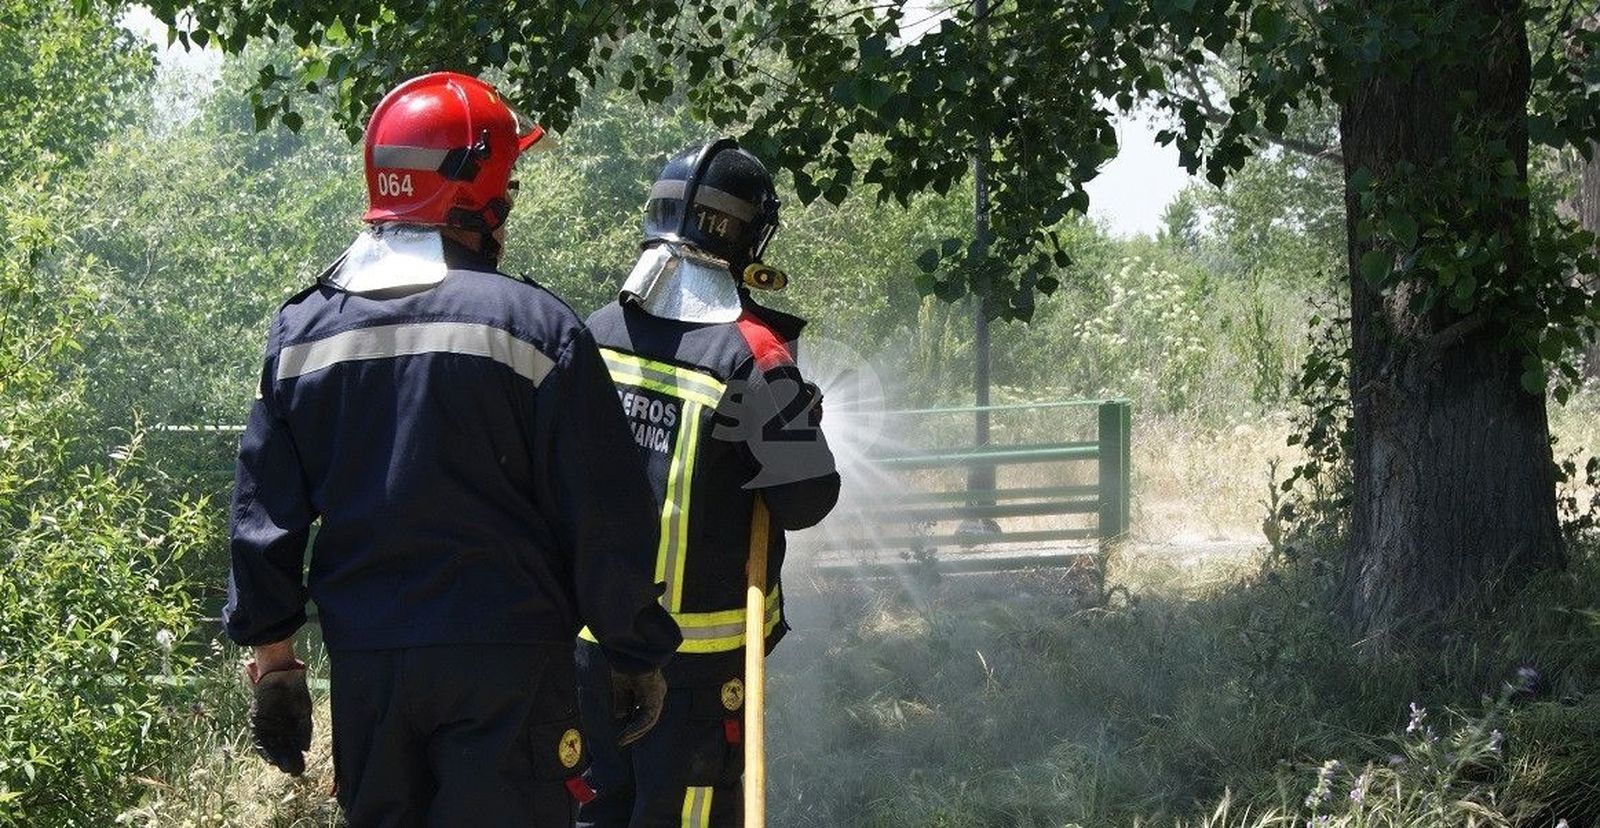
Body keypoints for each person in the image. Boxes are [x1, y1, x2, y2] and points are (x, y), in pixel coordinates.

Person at [223, 72, 680, 826]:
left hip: (371, 673)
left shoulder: (301, 334)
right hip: (509, 665)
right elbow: (605, 513)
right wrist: (635, 649)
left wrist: (276, 664)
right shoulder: (537, 328)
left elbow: (263, 517)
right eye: (507, 190)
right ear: (476, 195)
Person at [577, 138, 841, 827]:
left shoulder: (590, 337)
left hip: (588, 653)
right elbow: (808, 499)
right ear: (745, 237)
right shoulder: (752, 358)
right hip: (695, 676)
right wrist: (791, 425)